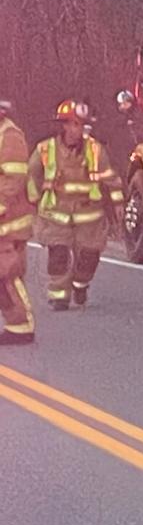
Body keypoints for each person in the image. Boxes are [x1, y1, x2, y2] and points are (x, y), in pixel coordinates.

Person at [27, 100, 125, 310]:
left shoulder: (95, 150)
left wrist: (118, 203)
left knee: (89, 257)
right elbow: (31, 176)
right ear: (62, 125)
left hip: (89, 215)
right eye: (70, 124)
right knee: (58, 256)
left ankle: (80, 285)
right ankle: (59, 297)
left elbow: (111, 178)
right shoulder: (45, 149)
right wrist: (32, 202)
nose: (74, 129)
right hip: (55, 215)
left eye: (78, 124)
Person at [0, 99, 35, 345]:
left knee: (6, 274)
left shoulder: (9, 136)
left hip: (8, 221)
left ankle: (21, 326)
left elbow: (12, 181)